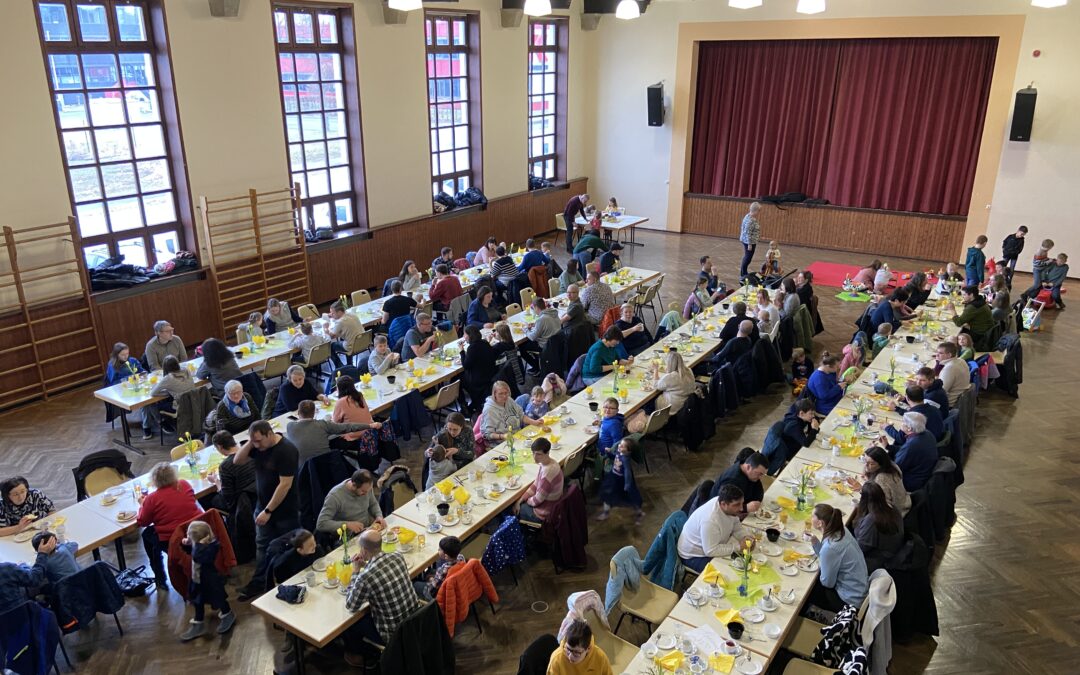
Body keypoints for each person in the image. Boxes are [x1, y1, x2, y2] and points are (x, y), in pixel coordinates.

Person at [235, 420, 301, 600]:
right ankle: (259, 584)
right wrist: (251, 442)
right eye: (253, 441)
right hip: (263, 506)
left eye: (259, 441)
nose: (257, 445)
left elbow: (285, 485)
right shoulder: (257, 447)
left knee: (287, 547)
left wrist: (268, 511)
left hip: (284, 510)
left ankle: (289, 583)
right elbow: (237, 460)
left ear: (270, 434)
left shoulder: (287, 450)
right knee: (262, 546)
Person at [343, 530, 419, 663]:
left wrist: (355, 571)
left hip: (393, 635)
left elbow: (351, 605)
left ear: (364, 550)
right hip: (415, 622)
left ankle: (360, 656)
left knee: (350, 624)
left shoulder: (365, 577)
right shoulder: (397, 556)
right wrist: (365, 567)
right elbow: (381, 572)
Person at [136, 462, 202, 589]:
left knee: (147, 534)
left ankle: (159, 576)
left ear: (154, 481)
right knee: (152, 534)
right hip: (195, 530)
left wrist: (142, 505)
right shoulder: (184, 484)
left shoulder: (152, 498)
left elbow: (142, 522)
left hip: (173, 539)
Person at [179, 520, 236, 640]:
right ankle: (198, 622)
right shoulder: (199, 545)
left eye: (189, 536)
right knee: (198, 601)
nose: (187, 537)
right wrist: (188, 544)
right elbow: (191, 552)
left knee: (218, 598)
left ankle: (227, 614)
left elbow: (197, 557)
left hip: (210, 580)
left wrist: (196, 545)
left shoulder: (209, 547)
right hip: (197, 579)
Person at [807, 504, 868, 611]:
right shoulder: (842, 530)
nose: (810, 518)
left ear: (820, 523)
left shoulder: (830, 547)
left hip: (848, 601)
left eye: (812, 516)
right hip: (860, 590)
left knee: (808, 589)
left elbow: (827, 583)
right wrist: (816, 543)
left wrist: (823, 561)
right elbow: (830, 556)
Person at [677, 484, 749, 573]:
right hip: (694, 556)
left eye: (742, 503)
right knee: (729, 572)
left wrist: (745, 537)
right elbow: (711, 551)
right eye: (737, 504)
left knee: (744, 562)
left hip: (711, 546)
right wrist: (739, 547)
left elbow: (736, 524)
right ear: (723, 504)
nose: (741, 508)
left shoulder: (727, 507)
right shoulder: (710, 520)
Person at [287, 399, 377, 463]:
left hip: (303, 468)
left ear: (298, 413)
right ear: (314, 412)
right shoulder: (323, 425)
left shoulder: (290, 426)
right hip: (326, 464)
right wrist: (369, 425)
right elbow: (348, 427)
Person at [332, 376, 392, 469]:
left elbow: (334, 424)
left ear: (339, 389)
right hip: (370, 433)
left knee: (332, 442)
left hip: (356, 438)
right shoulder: (359, 396)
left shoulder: (341, 402)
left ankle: (346, 468)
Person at [850, 482, 905, 573]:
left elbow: (861, 548)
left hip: (881, 558)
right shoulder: (889, 506)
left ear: (864, 500)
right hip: (893, 548)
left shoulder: (872, 520)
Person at [316, 469, 386, 536]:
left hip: (367, 528)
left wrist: (378, 515)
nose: (366, 494)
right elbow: (321, 524)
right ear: (354, 485)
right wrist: (347, 525)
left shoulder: (366, 488)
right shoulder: (335, 497)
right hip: (349, 535)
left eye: (368, 490)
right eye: (363, 491)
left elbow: (373, 504)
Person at [880, 412, 937, 492]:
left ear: (909, 428)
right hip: (922, 472)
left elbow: (895, 468)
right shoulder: (927, 434)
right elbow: (906, 451)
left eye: (903, 422)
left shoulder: (912, 444)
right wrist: (888, 447)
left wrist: (877, 455)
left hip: (911, 481)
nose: (901, 423)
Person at [846, 446, 911, 516]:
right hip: (905, 501)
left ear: (881, 465)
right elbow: (867, 466)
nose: (866, 465)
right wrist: (867, 471)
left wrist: (862, 489)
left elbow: (879, 503)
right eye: (865, 461)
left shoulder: (881, 479)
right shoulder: (892, 465)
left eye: (871, 464)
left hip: (894, 514)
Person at [204, 431, 257, 514]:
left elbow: (227, 498)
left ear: (220, 447)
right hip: (259, 494)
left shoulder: (225, 466)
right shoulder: (250, 451)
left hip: (243, 504)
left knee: (207, 499)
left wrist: (216, 481)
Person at [514, 437, 563, 524]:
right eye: (533, 453)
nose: (535, 457)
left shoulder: (548, 473)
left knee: (511, 509)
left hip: (544, 514)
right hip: (553, 507)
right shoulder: (548, 463)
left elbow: (537, 501)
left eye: (539, 454)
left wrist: (523, 502)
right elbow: (536, 484)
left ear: (547, 452)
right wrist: (521, 499)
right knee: (518, 501)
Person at [710, 449, 767, 514]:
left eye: (763, 474)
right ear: (748, 467)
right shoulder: (732, 480)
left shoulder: (750, 473)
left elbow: (758, 491)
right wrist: (746, 508)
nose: (761, 478)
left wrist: (757, 501)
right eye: (760, 474)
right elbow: (723, 507)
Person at [547, 620, 614, 675]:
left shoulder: (600, 658)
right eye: (568, 649)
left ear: (588, 648)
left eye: (576, 652)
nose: (570, 656)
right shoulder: (556, 659)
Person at [0, 539, 53, 608]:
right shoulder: (6, 569)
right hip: (25, 613)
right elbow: (35, 578)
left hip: (7, 615)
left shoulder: (7, 569)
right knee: (45, 579)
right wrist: (42, 554)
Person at [460, 325, 498, 413]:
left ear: (469, 336)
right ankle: (474, 400)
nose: (463, 337)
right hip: (490, 374)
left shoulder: (472, 348)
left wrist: (462, 351)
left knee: (457, 379)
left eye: (464, 334)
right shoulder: (485, 342)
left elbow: (465, 365)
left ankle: (465, 403)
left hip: (478, 379)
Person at [414, 536, 465, 601]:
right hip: (456, 585)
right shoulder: (461, 557)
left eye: (440, 549)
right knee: (438, 561)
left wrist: (431, 580)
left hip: (439, 594)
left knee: (415, 584)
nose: (438, 550)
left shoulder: (444, 570)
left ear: (446, 556)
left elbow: (431, 589)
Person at [774, 399, 820, 472]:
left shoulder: (802, 418)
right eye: (811, 414)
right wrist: (814, 429)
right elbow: (806, 443)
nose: (813, 416)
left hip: (796, 443)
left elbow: (811, 431)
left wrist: (814, 423)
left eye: (813, 413)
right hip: (789, 451)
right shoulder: (794, 425)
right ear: (801, 413)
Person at [653, 349, 696, 414]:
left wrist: (655, 370)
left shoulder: (671, 377)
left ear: (669, 363)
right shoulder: (689, 370)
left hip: (673, 406)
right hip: (686, 402)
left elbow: (656, 385)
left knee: (652, 400)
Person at [327, 300, 364, 367]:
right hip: (362, 342)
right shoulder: (352, 315)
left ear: (339, 312)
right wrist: (334, 317)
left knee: (330, 347)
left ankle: (340, 366)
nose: (331, 315)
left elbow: (332, 336)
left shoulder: (340, 322)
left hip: (351, 346)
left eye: (333, 313)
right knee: (345, 339)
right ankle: (349, 364)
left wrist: (326, 328)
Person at [934, 342, 969, 407]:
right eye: (937, 352)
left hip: (949, 403)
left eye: (940, 353)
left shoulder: (949, 368)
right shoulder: (961, 360)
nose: (936, 355)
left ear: (949, 355)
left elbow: (940, 391)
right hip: (961, 397)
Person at [738, 201, 761, 280]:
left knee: (747, 257)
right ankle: (743, 273)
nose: (759, 213)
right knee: (748, 258)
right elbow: (748, 232)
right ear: (755, 210)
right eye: (759, 211)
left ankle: (743, 272)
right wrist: (750, 244)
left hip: (748, 240)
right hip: (749, 242)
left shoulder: (748, 216)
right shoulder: (750, 220)